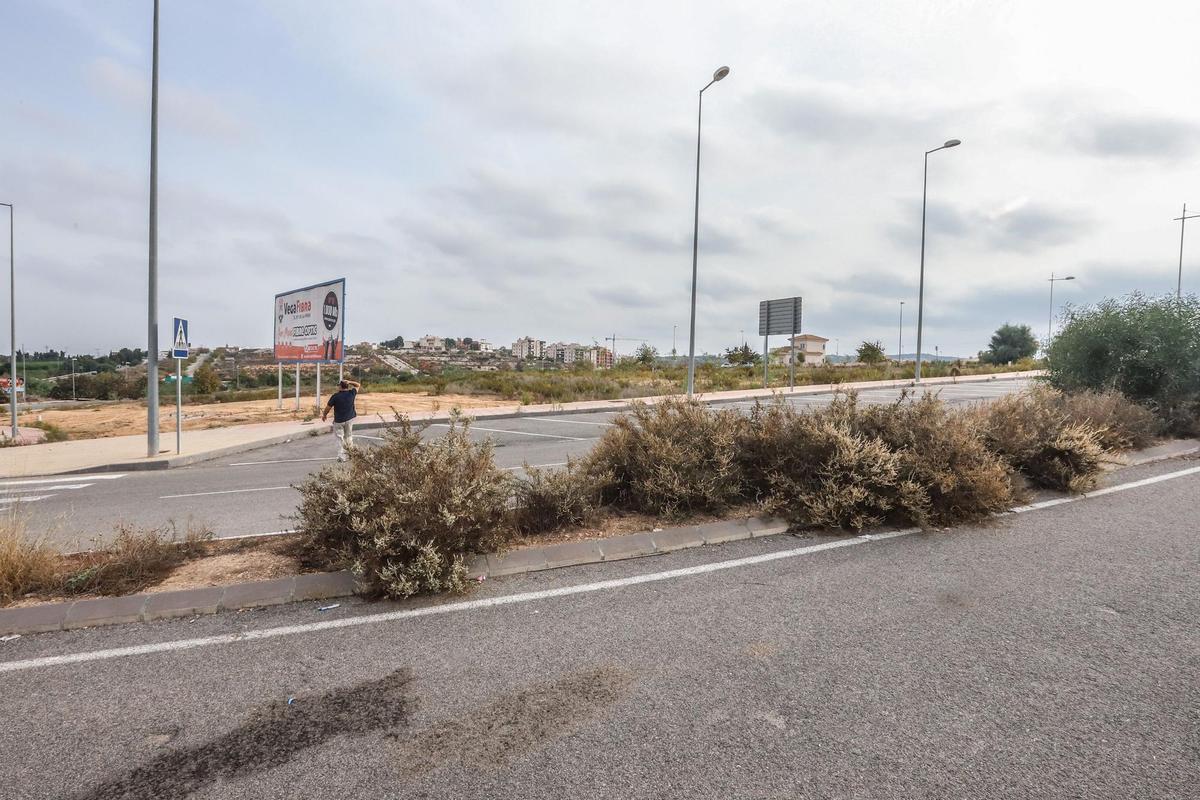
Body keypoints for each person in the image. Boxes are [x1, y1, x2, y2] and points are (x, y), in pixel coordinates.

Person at [321, 379, 361, 461]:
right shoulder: (351, 393)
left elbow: (328, 408)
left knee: (340, 438)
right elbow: (358, 385)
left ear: (340, 386)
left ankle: (341, 457)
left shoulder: (335, 396)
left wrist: (324, 415)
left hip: (339, 421)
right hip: (349, 419)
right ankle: (351, 454)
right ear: (347, 386)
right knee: (349, 437)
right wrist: (349, 382)